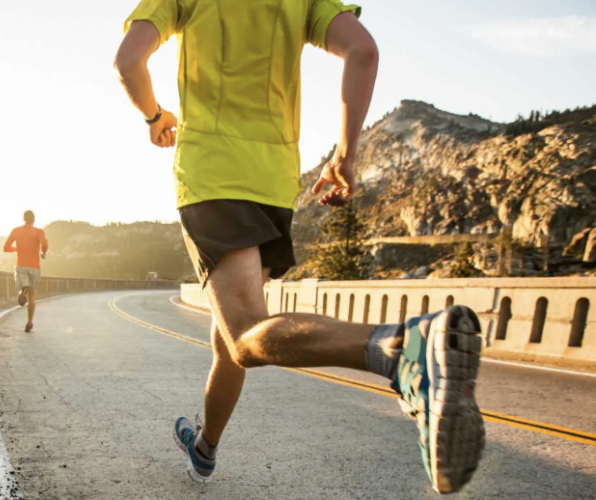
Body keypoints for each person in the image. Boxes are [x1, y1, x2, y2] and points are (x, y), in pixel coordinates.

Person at [115, 0, 485, 494]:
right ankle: (204, 449)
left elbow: (129, 61)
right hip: (274, 184)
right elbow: (363, 52)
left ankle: (401, 350)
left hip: (212, 175)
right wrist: (346, 155)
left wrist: (155, 116)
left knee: (244, 335)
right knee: (230, 339)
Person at [3, 210, 48, 332]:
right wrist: (43, 253)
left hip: (21, 266)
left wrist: (17, 248)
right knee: (32, 295)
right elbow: (44, 244)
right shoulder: (38, 232)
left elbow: (6, 248)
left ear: (23, 219)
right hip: (35, 267)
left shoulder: (16, 231)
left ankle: (22, 290)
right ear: (33, 220)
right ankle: (29, 322)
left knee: (22, 285)